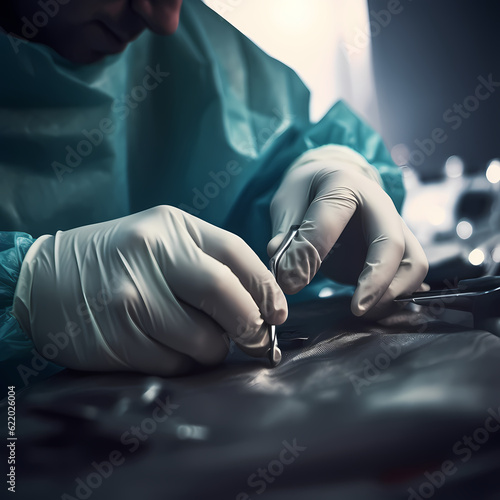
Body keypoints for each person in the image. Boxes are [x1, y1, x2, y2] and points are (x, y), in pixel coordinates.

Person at [0, 0, 428, 386]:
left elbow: (264, 160)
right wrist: (27, 291)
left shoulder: (190, 46)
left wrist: (330, 170)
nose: (164, 20)